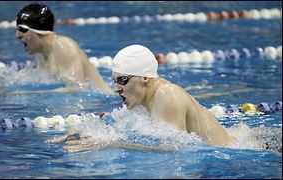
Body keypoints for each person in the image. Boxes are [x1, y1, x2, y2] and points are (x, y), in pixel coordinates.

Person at [49, 44, 233, 152]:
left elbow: (176, 149)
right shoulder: (142, 100)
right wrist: (91, 131)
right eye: (115, 81)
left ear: (145, 78)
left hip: (232, 154)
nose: (116, 89)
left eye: (122, 80)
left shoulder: (166, 94)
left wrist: (111, 144)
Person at [13, 2, 111, 94]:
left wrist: (29, 94)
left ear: (39, 31)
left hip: (102, 103)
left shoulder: (62, 45)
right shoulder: (41, 53)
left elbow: (76, 88)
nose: (18, 35)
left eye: (23, 30)